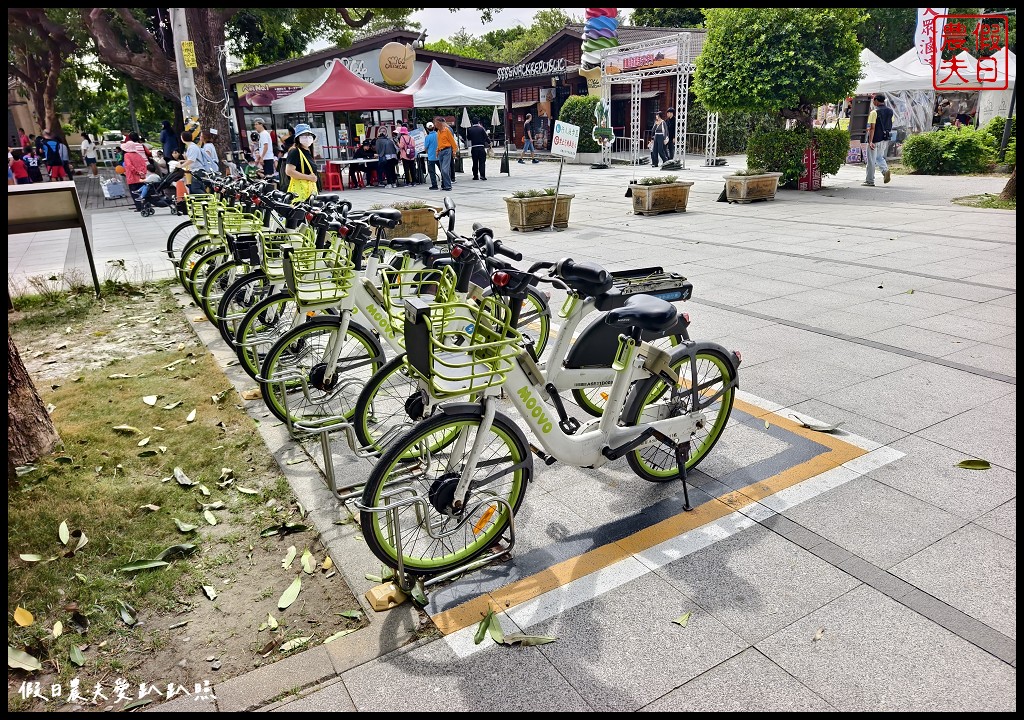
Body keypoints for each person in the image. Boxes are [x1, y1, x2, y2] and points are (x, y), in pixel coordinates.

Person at [284, 123, 320, 203]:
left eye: (309, 135)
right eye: (304, 135)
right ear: (298, 138)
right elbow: (289, 171)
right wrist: (309, 177)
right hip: (299, 193)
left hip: (310, 191)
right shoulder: (295, 151)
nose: (307, 138)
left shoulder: (308, 151)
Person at [863, 93, 893, 187]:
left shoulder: (874, 112)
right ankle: (885, 171)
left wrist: (870, 141)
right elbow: (890, 123)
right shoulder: (890, 111)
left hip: (875, 139)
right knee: (879, 157)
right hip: (885, 138)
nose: (873, 102)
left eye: (873, 101)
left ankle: (869, 180)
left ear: (876, 100)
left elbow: (872, 128)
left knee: (871, 160)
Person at [120, 132, 149, 210]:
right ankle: (145, 205)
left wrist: (136, 172)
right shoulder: (138, 155)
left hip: (132, 178)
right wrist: (142, 173)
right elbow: (144, 165)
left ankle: (139, 207)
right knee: (142, 192)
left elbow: (129, 166)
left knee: (134, 192)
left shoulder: (127, 155)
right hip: (141, 177)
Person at [181, 128, 208, 194]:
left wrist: (181, 165)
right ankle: (207, 201)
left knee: (195, 188)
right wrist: (183, 161)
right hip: (196, 170)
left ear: (183, 138)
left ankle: (207, 199)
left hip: (198, 170)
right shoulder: (191, 146)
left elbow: (191, 160)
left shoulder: (192, 147)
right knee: (199, 187)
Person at [435, 117, 457, 191]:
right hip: (441, 151)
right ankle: (444, 185)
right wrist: (437, 150)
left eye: (436, 122)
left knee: (445, 169)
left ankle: (448, 185)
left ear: (440, 123)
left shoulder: (447, 130)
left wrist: (454, 151)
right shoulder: (438, 132)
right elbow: (439, 142)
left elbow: (452, 142)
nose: (435, 124)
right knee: (442, 169)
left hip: (447, 150)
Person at [467, 116, 490, 181]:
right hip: (481, 147)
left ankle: (475, 176)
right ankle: (482, 175)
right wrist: (489, 142)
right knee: (482, 162)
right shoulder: (481, 129)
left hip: (474, 147)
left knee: (475, 162)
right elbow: (486, 137)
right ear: (478, 122)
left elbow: (468, 138)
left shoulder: (470, 129)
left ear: (472, 122)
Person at [423, 121, 439, 190]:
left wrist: (427, 151)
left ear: (427, 129)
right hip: (438, 155)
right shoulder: (438, 135)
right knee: (442, 170)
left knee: (432, 172)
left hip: (431, 157)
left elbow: (426, 147)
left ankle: (434, 185)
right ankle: (445, 183)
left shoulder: (427, 137)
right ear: (434, 127)